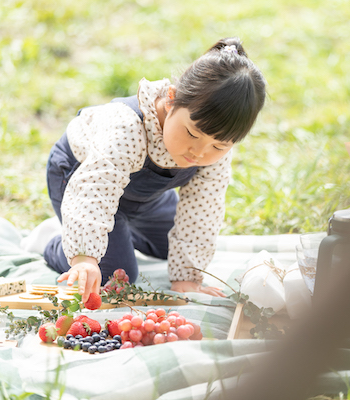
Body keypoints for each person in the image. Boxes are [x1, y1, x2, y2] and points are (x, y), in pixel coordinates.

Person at [43, 37, 266, 302]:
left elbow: (203, 210)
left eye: (218, 146)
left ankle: (116, 230)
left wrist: (187, 278)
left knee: (169, 249)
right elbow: (95, 189)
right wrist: (84, 257)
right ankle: (58, 242)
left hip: (143, 196)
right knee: (115, 275)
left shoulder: (214, 150)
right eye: (192, 134)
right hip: (81, 176)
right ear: (171, 99)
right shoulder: (127, 127)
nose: (200, 152)